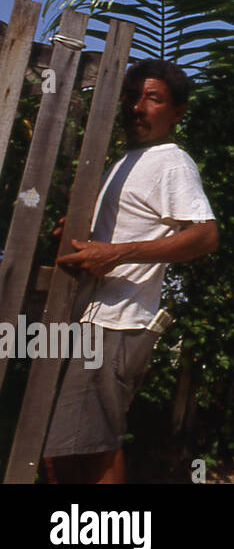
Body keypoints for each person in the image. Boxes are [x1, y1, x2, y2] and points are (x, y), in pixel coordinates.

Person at [42, 58, 218, 484]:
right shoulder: (126, 161)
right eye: (132, 96)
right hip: (89, 320)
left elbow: (205, 236)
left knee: (93, 449)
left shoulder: (171, 162)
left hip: (117, 325)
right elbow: (115, 229)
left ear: (177, 112)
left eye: (153, 98)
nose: (138, 106)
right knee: (65, 452)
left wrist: (117, 254)